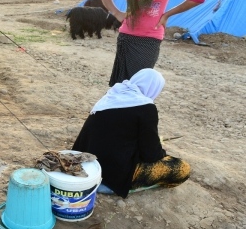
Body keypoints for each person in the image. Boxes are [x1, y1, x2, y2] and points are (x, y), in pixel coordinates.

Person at [72, 69, 190, 198]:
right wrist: (161, 150)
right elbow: (151, 155)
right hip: (109, 181)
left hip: (83, 168)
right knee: (182, 168)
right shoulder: (146, 107)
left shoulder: (112, 95)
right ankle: (130, 186)